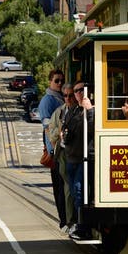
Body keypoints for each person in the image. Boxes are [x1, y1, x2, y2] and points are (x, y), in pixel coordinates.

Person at [62, 81, 95, 240]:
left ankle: (83, 226)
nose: (78, 93)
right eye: (76, 91)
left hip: (85, 157)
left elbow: (93, 130)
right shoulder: (73, 110)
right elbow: (66, 130)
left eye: (81, 90)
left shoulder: (92, 109)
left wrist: (89, 110)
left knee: (79, 190)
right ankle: (77, 222)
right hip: (71, 157)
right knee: (75, 193)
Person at [37, 69, 68, 231]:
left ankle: (67, 219)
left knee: (65, 188)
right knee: (59, 188)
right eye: (57, 80)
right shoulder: (48, 101)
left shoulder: (63, 97)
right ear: (50, 81)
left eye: (62, 80)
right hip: (56, 152)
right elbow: (47, 129)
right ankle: (63, 220)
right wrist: (52, 151)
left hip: (65, 150)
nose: (60, 83)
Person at [47, 82, 75, 233]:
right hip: (64, 154)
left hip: (76, 153)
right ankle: (69, 221)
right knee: (66, 188)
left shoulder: (79, 111)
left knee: (72, 188)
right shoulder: (59, 112)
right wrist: (60, 134)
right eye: (65, 95)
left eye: (71, 95)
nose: (68, 98)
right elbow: (51, 134)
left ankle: (73, 220)